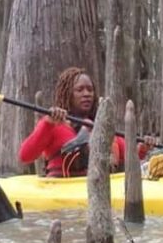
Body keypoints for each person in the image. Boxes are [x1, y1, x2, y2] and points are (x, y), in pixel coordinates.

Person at [19, 67, 150, 177]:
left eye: (90, 89)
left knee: (108, 137)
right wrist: (47, 123)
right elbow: (25, 156)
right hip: (60, 189)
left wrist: (143, 147)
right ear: (68, 94)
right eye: (80, 90)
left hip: (95, 190)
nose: (87, 94)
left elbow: (132, 154)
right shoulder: (53, 124)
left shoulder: (100, 128)